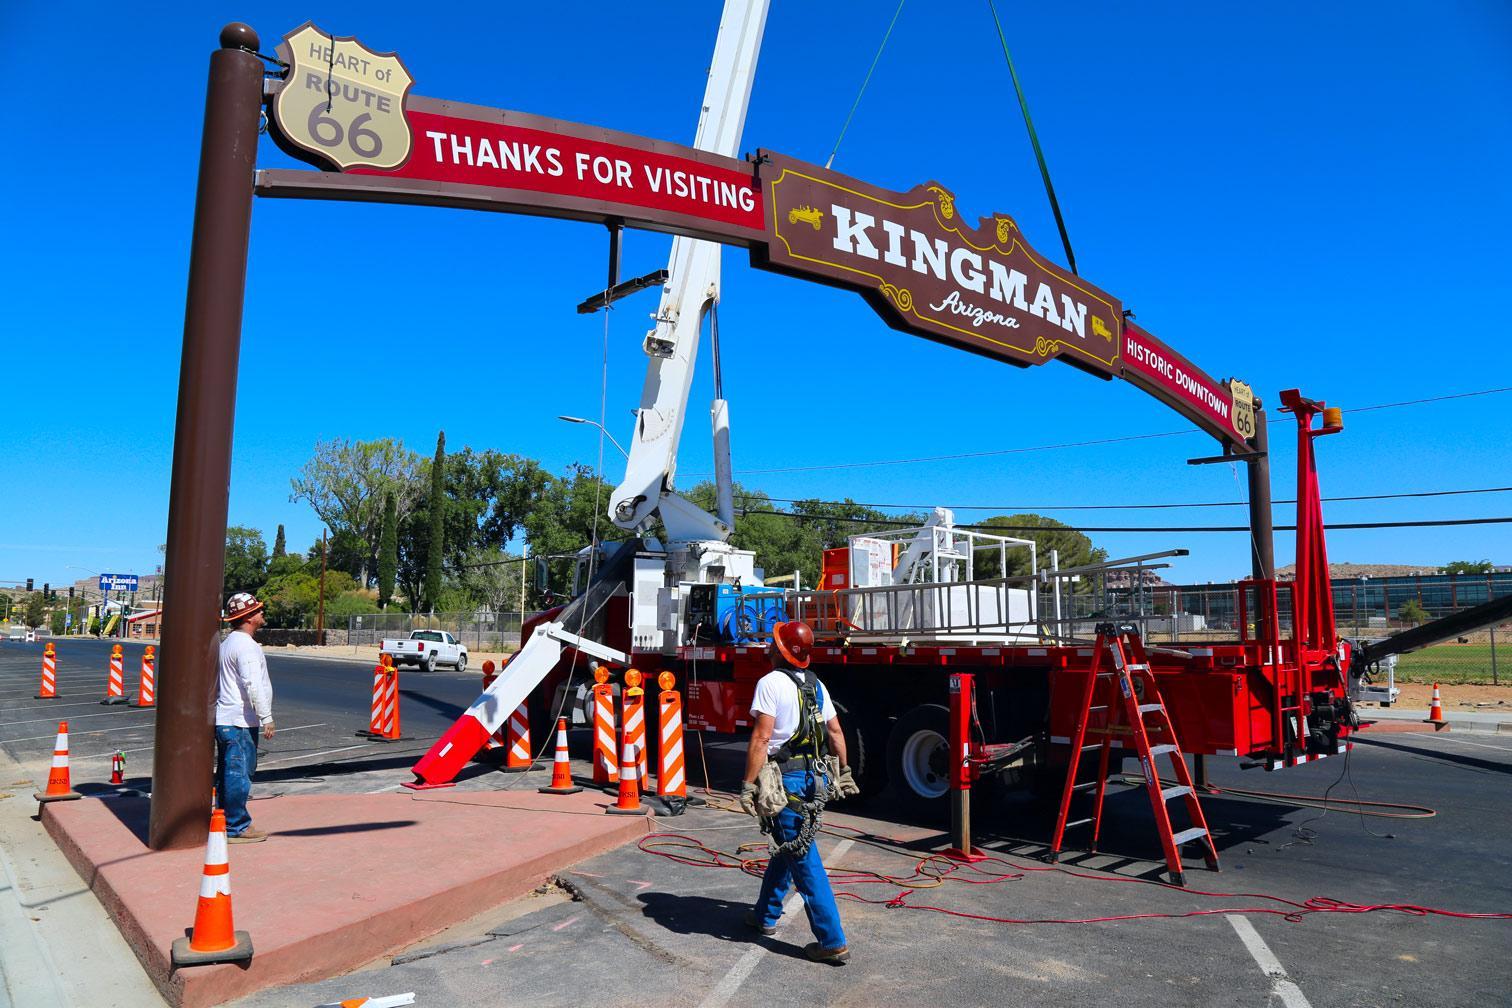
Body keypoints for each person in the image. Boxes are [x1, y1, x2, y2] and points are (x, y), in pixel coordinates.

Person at [739, 620, 859, 964]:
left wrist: (748, 784)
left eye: (773, 642)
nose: (769, 646)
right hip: (813, 781)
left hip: (786, 783)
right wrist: (845, 771)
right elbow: (835, 732)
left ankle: (832, 941)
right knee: (790, 847)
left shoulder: (770, 683)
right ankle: (765, 915)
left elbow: (762, 739)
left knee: (806, 862)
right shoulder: (817, 685)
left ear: (781, 650)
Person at [216, 591, 274, 843]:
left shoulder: (227, 643)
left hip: (227, 718)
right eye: (258, 610)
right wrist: (266, 716)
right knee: (239, 774)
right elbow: (253, 684)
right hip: (239, 720)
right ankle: (236, 826)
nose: (262, 614)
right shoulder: (247, 647)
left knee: (228, 772)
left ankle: (224, 819)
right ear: (249, 617)